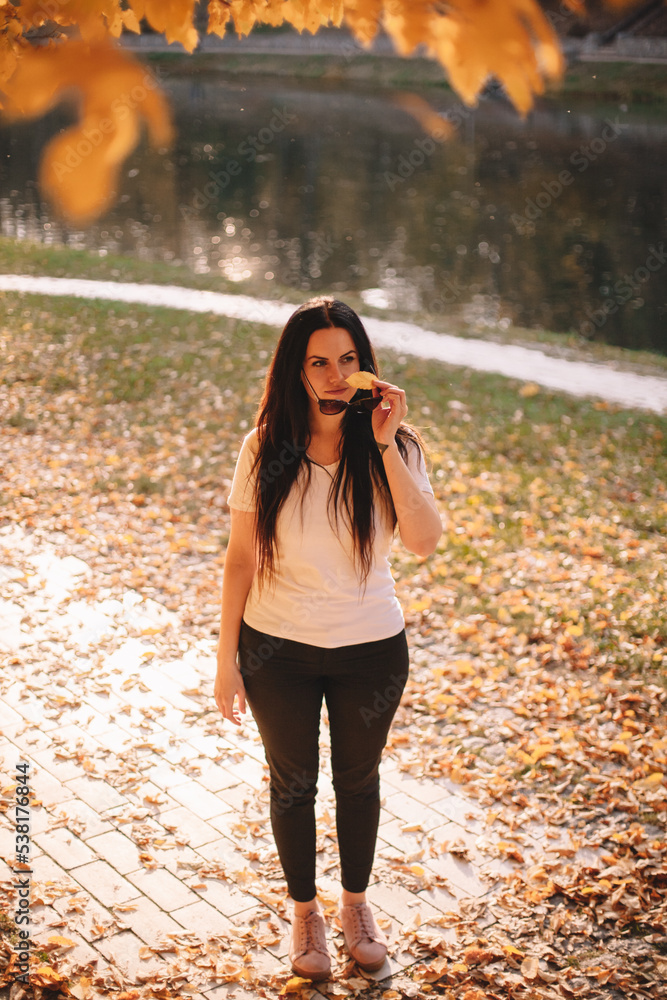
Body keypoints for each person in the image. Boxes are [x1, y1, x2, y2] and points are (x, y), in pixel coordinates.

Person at [214, 297, 441, 981]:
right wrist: (226, 660)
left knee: (358, 780)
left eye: (347, 360)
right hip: (276, 651)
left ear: (366, 367)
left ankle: (355, 907)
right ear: (296, 370)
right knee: (293, 784)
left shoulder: (396, 445)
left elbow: (425, 541)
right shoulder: (263, 448)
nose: (335, 375)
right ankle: (304, 912)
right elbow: (240, 559)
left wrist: (384, 444)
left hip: (370, 651)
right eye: (318, 362)